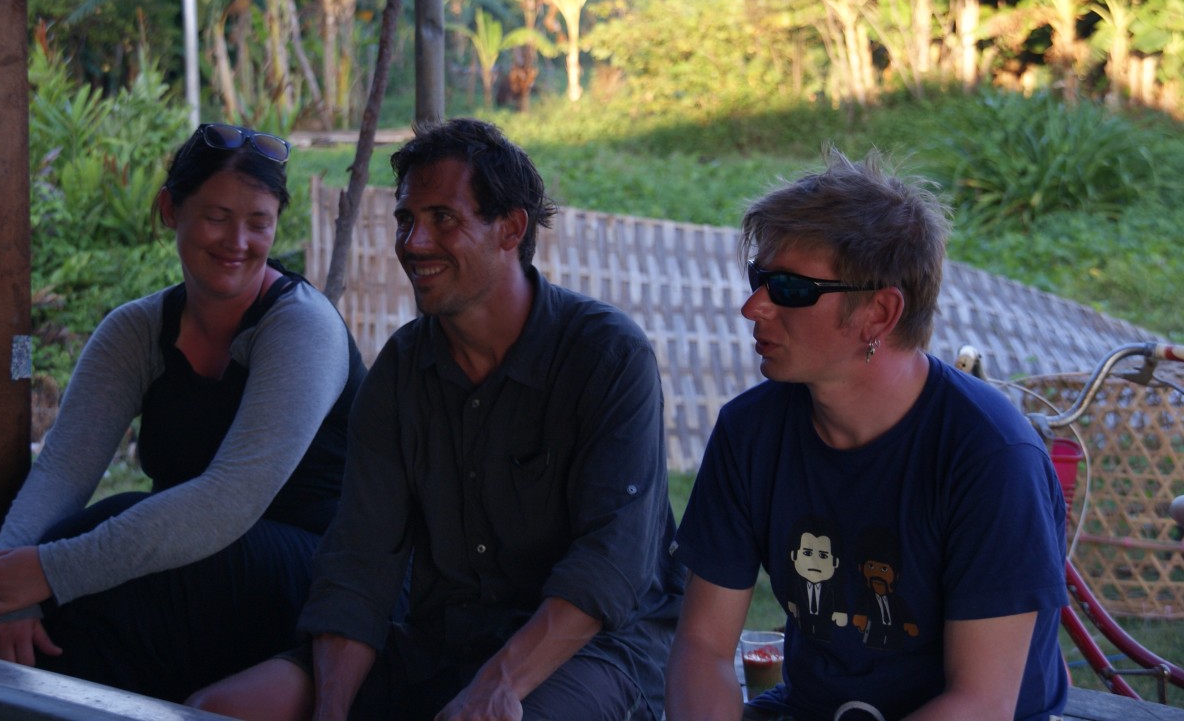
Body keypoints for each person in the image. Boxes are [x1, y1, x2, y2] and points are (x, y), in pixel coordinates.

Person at [188, 117, 685, 721]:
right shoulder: (401, 370)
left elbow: (611, 563)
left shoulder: (605, 355)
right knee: (218, 709)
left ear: (511, 228)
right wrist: (332, 709)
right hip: (443, 644)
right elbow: (360, 563)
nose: (413, 242)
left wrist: (496, 685)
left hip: (594, 653)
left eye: (443, 218)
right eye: (406, 219)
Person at [0, 122, 367, 704]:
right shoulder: (135, 331)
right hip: (191, 571)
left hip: (315, 575)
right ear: (169, 210)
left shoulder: (301, 327)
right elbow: (62, 471)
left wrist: (49, 571)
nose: (238, 240)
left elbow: (227, 502)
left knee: (107, 536)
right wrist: (4, 590)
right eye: (217, 217)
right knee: (76, 623)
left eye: (258, 222)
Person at [666, 148, 1069, 721]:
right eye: (759, 279)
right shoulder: (750, 431)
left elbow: (981, 702)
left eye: (790, 289)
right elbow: (703, 647)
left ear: (879, 313)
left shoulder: (990, 457)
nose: (753, 307)